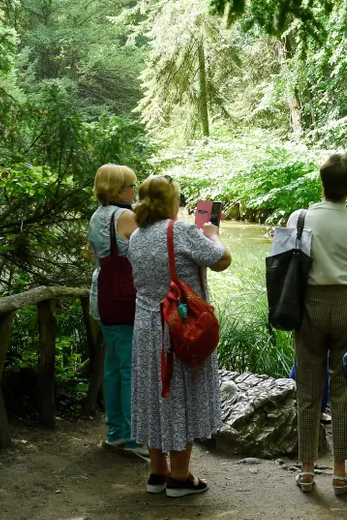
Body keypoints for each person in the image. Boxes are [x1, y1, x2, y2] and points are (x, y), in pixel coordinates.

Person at [127, 175, 232, 497]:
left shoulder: (136, 236)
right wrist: (212, 234)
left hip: (145, 328)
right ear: (168, 201)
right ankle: (181, 477)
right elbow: (222, 261)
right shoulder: (181, 230)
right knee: (180, 395)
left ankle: (157, 473)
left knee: (154, 396)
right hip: (180, 326)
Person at [287, 153, 347, 495]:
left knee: (308, 389)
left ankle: (307, 471)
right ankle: (340, 472)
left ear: (321, 182)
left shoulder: (300, 217)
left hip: (309, 303)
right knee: (343, 389)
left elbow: (284, 262)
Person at [87, 163, 144, 459]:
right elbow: (147, 248)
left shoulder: (97, 215)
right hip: (125, 300)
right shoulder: (124, 215)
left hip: (102, 298)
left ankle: (114, 432)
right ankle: (133, 438)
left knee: (113, 368)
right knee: (129, 369)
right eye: (131, 186)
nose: (134, 191)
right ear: (119, 189)